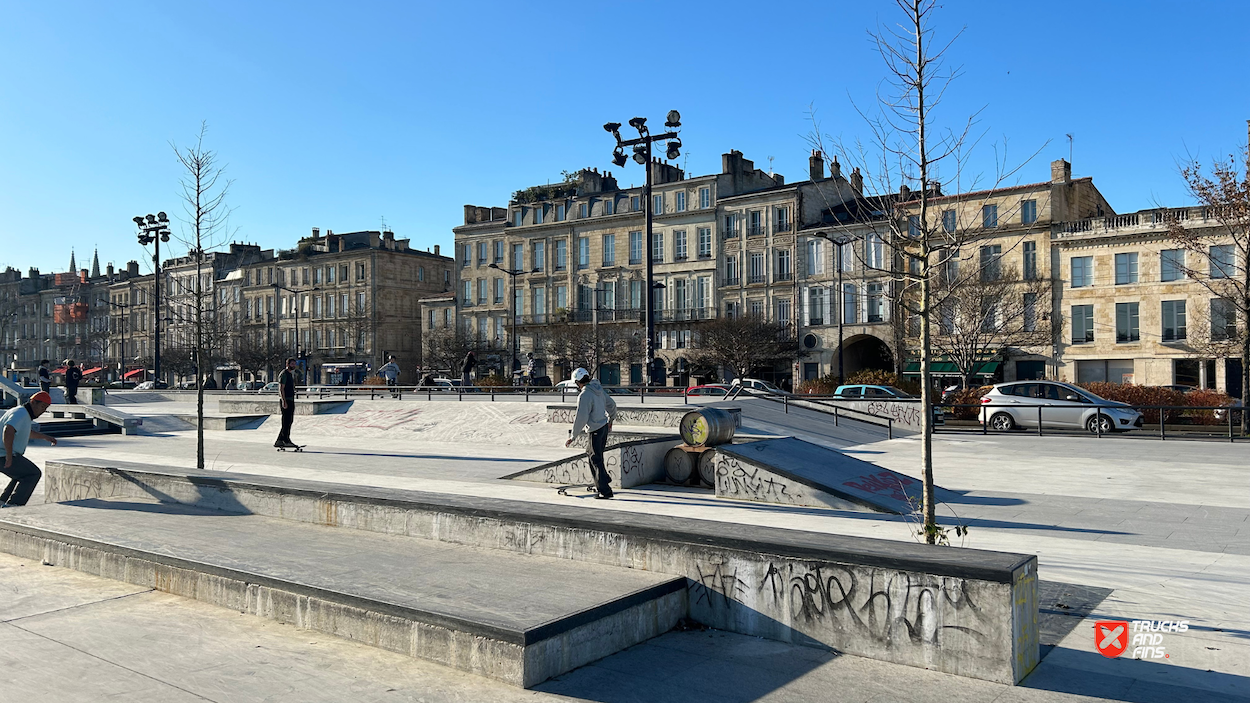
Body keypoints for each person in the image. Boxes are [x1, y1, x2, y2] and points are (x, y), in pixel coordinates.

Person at [564, 367, 617, 499]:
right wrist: (611, 419)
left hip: (595, 430)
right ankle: (604, 479)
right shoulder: (598, 389)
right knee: (597, 456)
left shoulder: (585, 395)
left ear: (577, 382)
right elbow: (612, 404)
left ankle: (605, 491)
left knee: (594, 459)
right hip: (604, 427)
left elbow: (581, 417)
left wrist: (573, 436)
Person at [1, 391, 56, 507]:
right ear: (33, 402)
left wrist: (45, 437)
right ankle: (14, 505)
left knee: (20, 474)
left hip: (4, 454)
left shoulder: (21, 412)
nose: (42, 411)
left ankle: (3, 501)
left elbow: (26, 432)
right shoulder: (21, 413)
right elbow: (8, 430)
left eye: (45, 408)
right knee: (33, 474)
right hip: (3, 454)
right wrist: (9, 456)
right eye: (42, 407)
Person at [274, 358, 299, 449]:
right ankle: (285, 440)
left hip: (290, 399)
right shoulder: (284, 374)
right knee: (286, 421)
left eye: (294, 364)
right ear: (287, 364)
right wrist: (284, 401)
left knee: (289, 421)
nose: (294, 366)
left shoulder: (290, 374)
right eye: (292, 364)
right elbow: (281, 388)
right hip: (286, 400)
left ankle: (280, 440)